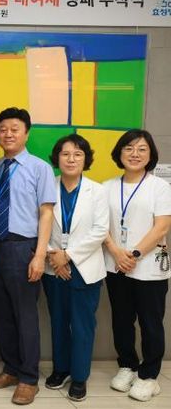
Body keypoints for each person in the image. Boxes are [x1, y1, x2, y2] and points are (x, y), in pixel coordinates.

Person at [0, 107, 56, 405]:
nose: (8, 134)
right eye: (2, 129)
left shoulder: (40, 168)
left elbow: (46, 212)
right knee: (1, 314)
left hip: (23, 248)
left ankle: (28, 378)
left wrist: (39, 256)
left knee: (25, 316)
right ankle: (11, 369)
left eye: (14, 129)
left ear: (26, 133)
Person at [102, 129, 171, 402]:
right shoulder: (107, 187)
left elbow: (162, 226)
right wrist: (116, 252)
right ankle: (128, 366)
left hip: (149, 267)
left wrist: (134, 254)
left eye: (142, 149)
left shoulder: (160, 187)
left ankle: (149, 376)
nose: (135, 154)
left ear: (150, 155)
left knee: (150, 323)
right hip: (116, 265)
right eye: (129, 148)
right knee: (121, 319)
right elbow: (101, 226)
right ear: (119, 153)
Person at [42, 134, 108, 402]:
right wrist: (53, 256)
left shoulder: (97, 191)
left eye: (78, 154)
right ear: (57, 158)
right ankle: (61, 369)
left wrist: (67, 256)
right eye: (66, 154)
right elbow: (38, 225)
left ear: (85, 159)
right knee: (58, 322)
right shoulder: (47, 186)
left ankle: (79, 377)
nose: (71, 159)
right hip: (52, 267)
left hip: (85, 268)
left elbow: (100, 230)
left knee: (82, 326)